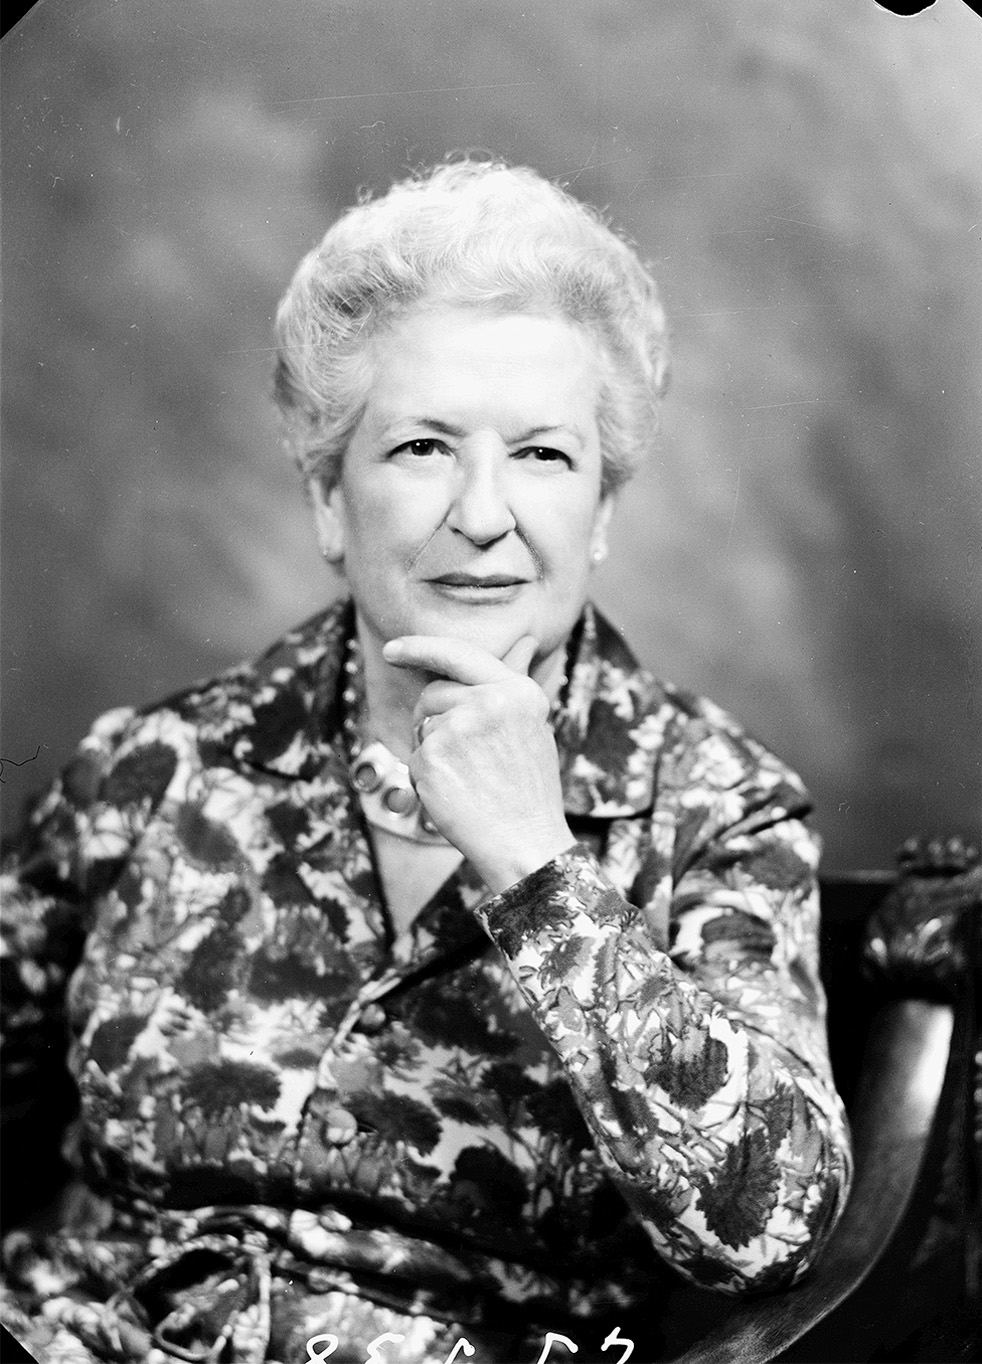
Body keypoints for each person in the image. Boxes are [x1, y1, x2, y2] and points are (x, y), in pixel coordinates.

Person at [1, 159, 852, 1364]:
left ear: (602, 513)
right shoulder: (148, 774)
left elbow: (766, 1226)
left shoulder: (716, 808)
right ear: (328, 500)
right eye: (420, 447)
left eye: (543, 456)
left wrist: (535, 863)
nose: (483, 513)